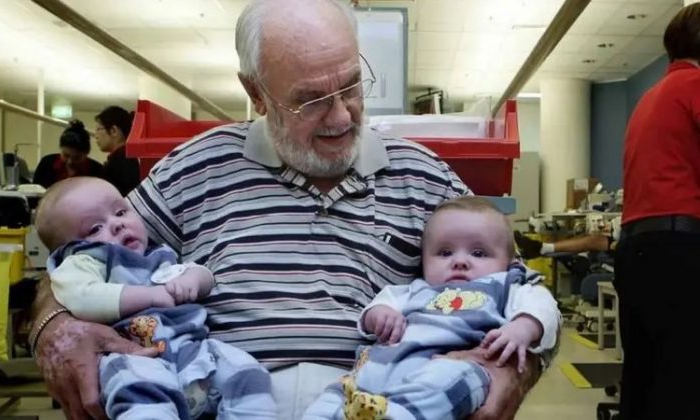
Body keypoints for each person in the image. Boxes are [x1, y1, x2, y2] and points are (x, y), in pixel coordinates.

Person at [29, 1, 553, 419]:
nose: (342, 114)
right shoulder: (197, 166)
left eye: (351, 84)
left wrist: (516, 367)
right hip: (219, 396)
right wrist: (54, 326)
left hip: (376, 398)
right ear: (255, 93)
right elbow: (83, 257)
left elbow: (518, 287)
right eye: (310, 100)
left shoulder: (425, 176)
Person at [34, 176, 276, 420]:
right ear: (67, 249)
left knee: (245, 373)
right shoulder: (83, 262)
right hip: (135, 357)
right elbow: (82, 297)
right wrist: (149, 296)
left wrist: (193, 279)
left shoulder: (156, 255)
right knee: (143, 401)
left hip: (194, 351)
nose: (117, 225)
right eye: (95, 228)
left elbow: (200, 275)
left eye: (120, 212)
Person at [303, 197, 559, 420]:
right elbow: (379, 304)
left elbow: (542, 306)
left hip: (458, 364)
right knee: (335, 396)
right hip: (380, 369)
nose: (459, 261)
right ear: (424, 259)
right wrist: (379, 315)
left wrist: (523, 327)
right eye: (444, 252)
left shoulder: (507, 285)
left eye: (479, 253)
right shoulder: (414, 290)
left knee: (444, 382)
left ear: (509, 261)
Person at [616, 4, 700, 420]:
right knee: (684, 382)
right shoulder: (696, 86)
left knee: (644, 378)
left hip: (637, 252)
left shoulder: (651, 97)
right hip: (680, 250)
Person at [32, 120, 104, 189]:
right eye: (66, 155)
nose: (70, 162)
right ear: (60, 149)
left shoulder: (97, 171)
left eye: (76, 158)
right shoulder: (47, 164)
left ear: (86, 153)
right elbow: (34, 193)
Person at [94, 106, 140, 196]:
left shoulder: (118, 164)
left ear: (114, 131)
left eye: (99, 129)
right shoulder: (130, 158)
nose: (96, 136)